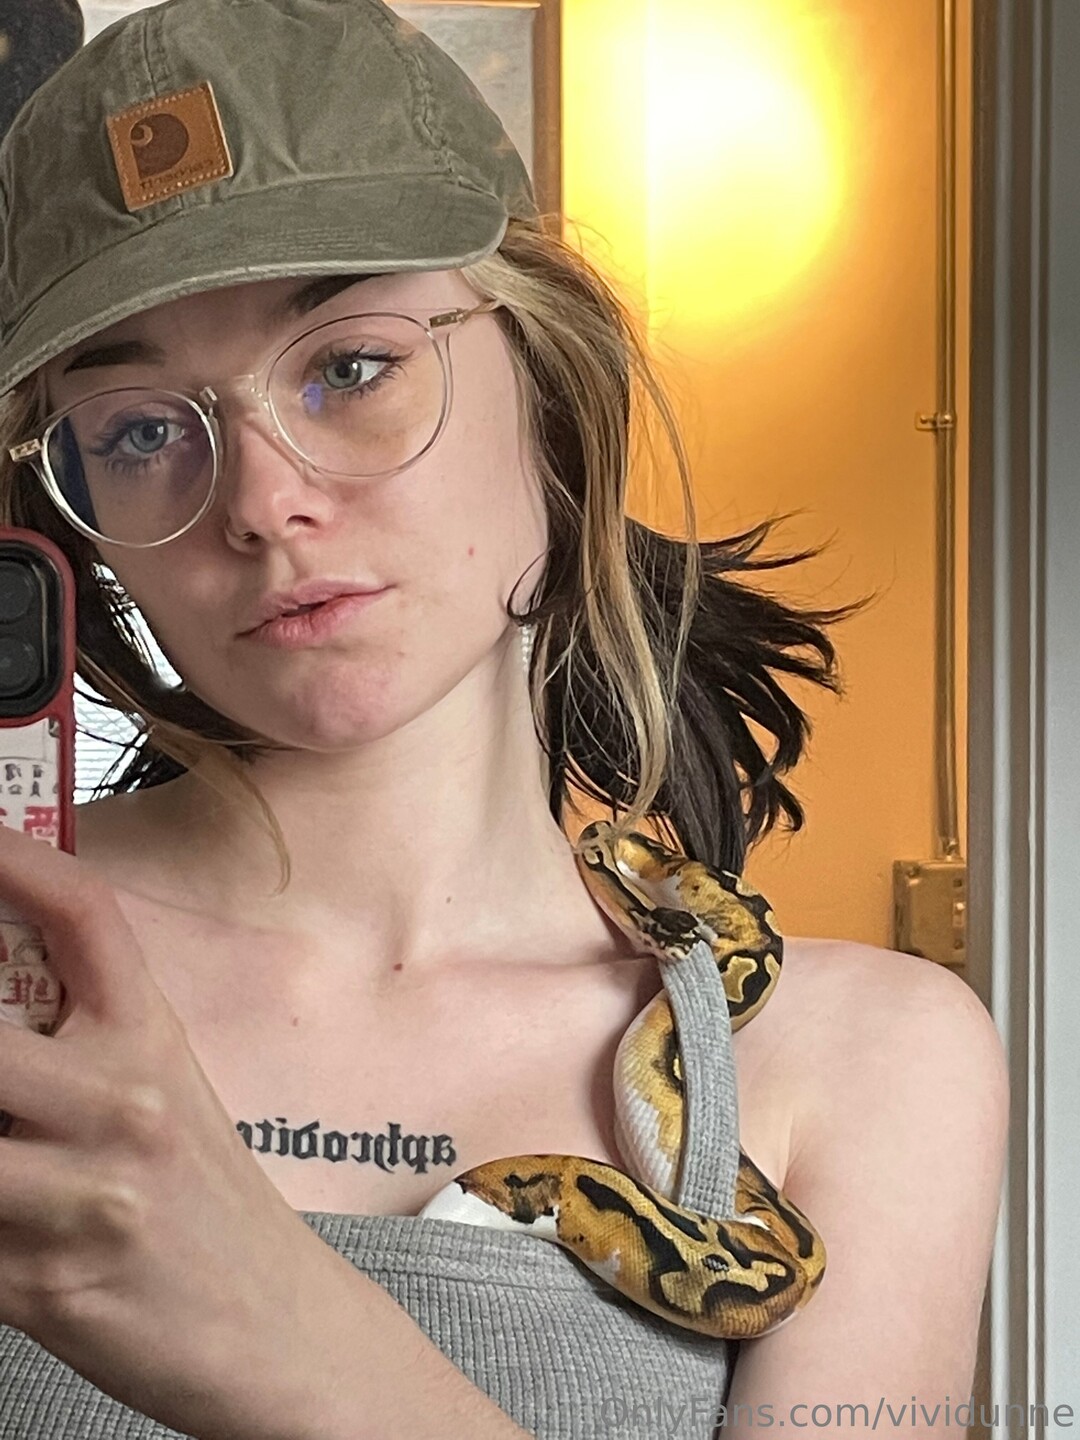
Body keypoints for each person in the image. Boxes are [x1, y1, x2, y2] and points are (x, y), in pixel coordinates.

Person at [0, 0, 1008, 1436]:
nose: (263, 502)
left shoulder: (865, 1065)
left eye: (349, 367)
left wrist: (283, 1337)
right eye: (143, 430)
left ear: (545, 377)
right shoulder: (12, 965)